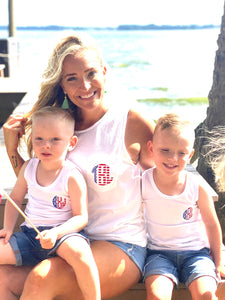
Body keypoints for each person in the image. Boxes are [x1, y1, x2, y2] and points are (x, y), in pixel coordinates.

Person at [1, 32, 155, 299]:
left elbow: (169, 183)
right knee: (3, 277)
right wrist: (12, 150)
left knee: (41, 279)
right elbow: (40, 184)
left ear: (105, 73)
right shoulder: (59, 125)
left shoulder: (131, 122)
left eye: (91, 73)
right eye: (72, 78)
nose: (84, 86)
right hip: (62, 240)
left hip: (122, 245)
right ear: (62, 86)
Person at [0, 106, 101, 300]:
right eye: (39, 139)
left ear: (71, 143)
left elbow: (81, 217)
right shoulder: (29, 168)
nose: (46, 145)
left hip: (63, 235)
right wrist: (7, 228)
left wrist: (56, 233)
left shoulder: (71, 175)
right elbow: (15, 198)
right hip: (31, 236)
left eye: (55, 140)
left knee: (81, 254)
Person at [142, 113, 225, 300]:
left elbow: (212, 225)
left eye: (181, 153)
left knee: (206, 294)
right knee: (157, 295)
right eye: (165, 150)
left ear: (190, 155)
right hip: (158, 254)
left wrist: (219, 261)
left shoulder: (197, 186)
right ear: (151, 148)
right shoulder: (143, 182)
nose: (173, 158)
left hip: (197, 254)